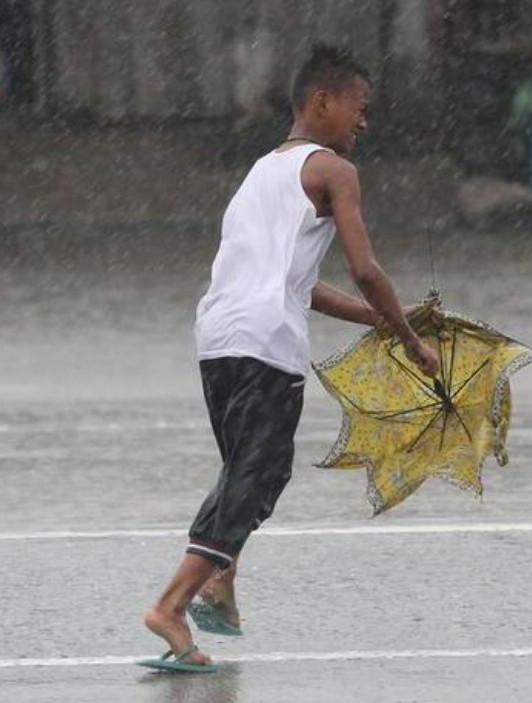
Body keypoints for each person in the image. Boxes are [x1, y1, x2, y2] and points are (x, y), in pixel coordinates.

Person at [143, 43, 440, 671]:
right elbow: (365, 268)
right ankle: (173, 605)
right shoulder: (334, 171)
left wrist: (384, 320)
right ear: (322, 102)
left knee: (246, 472)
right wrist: (410, 342)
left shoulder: (262, 172)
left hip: (219, 338)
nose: (365, 121)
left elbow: (299, 283)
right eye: (360, 107)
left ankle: (220, 581)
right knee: (260, 473)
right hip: (266, 344)